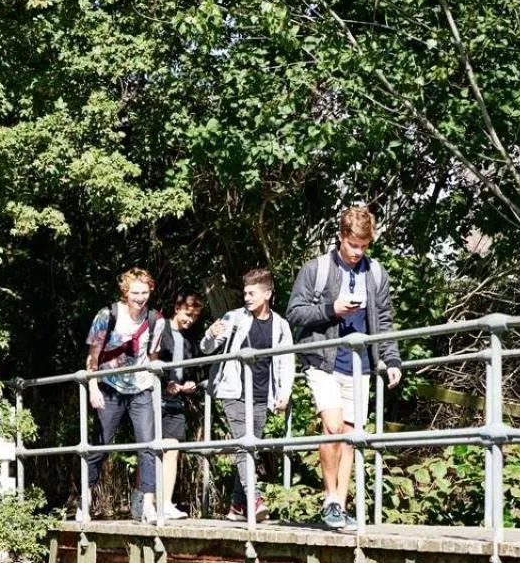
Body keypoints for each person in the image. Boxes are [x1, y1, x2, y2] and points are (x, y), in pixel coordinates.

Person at [285, 207, 403, 532]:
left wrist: (391, 360)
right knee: (333, 427)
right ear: (341, 237)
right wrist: (331, 310)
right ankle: (330, 500)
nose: (357, 253)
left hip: (360, 363)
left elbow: (384, 321)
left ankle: (340, 502)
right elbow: (294, 313)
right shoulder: (317, 269)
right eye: (353, 245)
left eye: (363, 247)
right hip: (323, 359)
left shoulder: (375, 273)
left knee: (350, 436)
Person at [201, 268, 294, 521]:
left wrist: (284, 391)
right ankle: (253, 500)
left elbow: (286, 360)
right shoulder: (234, 318)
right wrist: (211, 335)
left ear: (267, 294)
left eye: (252, 293)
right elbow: (207, 348)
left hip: (262, 394)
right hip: (234, 391)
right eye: (245, 293)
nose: (247, 298)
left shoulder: (280, 325)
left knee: (250, 448)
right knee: (245, 445)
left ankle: (237, 507)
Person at [82, 268, 166, 523]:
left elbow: (153, 357)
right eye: (135, 293)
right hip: (109, 386)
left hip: (141, 387)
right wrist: (93, 387)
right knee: (100, 446)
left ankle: (149, 506)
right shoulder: (107, 316)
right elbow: (92, 357)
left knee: (148, 446)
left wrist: (155, 386)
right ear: (125, 293)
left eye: (145, 292)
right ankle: (83, 502)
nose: (140, 298)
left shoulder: (156, 320)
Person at [155, 292, 204, 519]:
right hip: (153, 396)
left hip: (176, 400)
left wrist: (188, 384)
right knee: (152, 449)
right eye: (187, 313)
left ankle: (165, 503)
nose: (190, 319)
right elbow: (149, 360)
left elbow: (188, 369)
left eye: (194, 316)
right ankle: (144, 502)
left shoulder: (188, 339)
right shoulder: (159, 328)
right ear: (177, 308)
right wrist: (165, 383)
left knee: (172, 449)